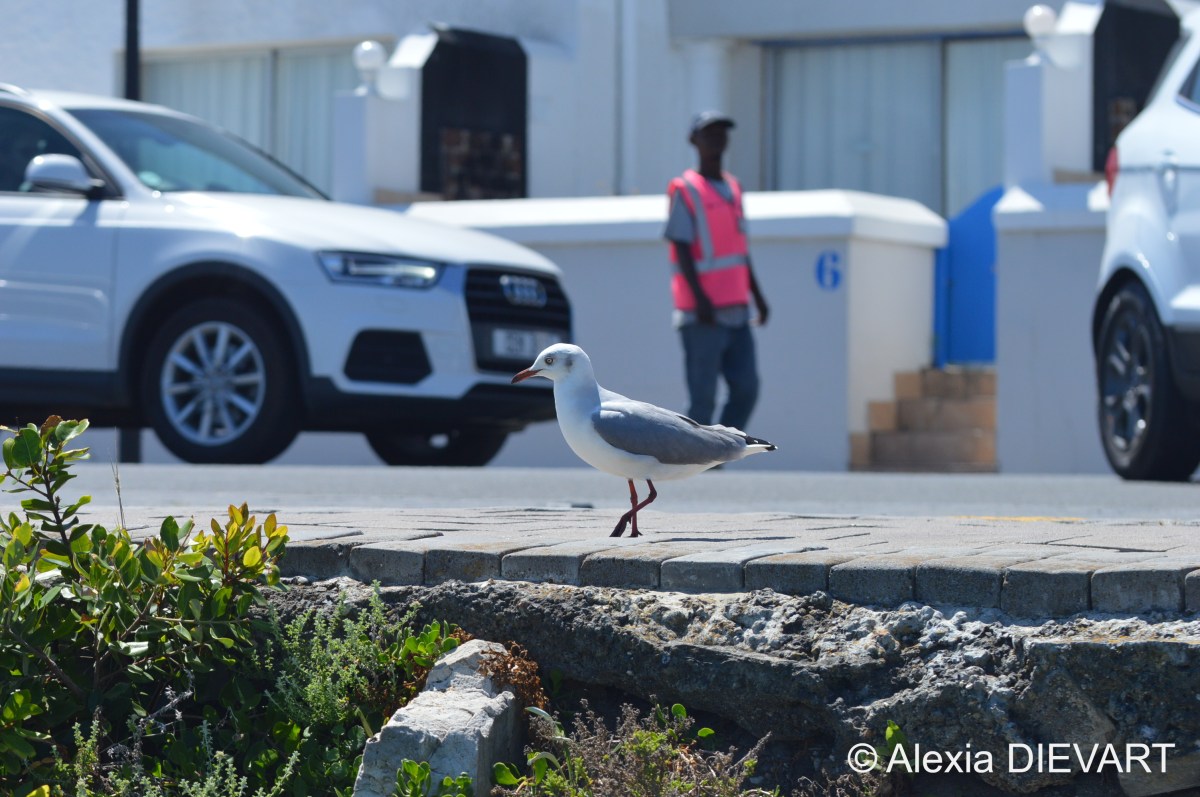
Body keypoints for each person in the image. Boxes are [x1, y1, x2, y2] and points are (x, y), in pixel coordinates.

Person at [663, 110, 770, 432]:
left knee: (747, 389)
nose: (717, 138)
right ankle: (695, 454)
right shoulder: (686, 189)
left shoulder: (733, 188)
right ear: (693, 140)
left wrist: (758, 296)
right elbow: (681, 247)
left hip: (737, 311)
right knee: (702, 400)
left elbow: (739, 250)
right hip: (702, 316)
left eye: (722, 132)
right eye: (708, 133)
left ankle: (719, 450)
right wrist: (700, 300)